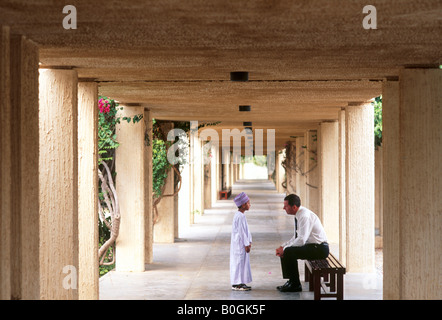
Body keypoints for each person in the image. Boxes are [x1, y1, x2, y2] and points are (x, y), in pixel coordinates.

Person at [275, 194, 329, 292]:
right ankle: (291, 281)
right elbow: (296, 236)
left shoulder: (304, 216)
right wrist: (283, 246)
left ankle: (295, 284)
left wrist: (285, 249)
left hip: (320, 249)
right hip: (313, 246)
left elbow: (301, 240)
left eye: (286, 206)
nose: (283, 208)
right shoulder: (298, 214)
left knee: (289, 252)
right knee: (287, 250)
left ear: (294, 207)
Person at [230, 192, 253, 291]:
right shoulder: (239, 216)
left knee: (242, 263)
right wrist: (246, 244)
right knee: (239, 263)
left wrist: (250, 241)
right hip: (239, 244)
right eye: (248, 203)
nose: (250, 205)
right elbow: (241, 232)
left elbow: (247, 230)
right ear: (243, 205)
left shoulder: (241, 215)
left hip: (242, 244)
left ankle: (241, 282)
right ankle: (237, 284)